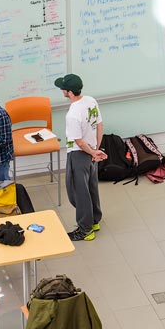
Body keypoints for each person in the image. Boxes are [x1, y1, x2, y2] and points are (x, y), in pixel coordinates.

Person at [55, 74, 106, 241]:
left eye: (63, 88)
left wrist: (91, 152)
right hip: (92, 151)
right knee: (91, 187)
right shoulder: (90, 101)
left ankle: (85, 230)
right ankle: (94, 220)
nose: (61, 90)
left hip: (78, 154)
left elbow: (78, 141)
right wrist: (96, 150)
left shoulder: (72, 115)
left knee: (78, 192)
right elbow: (99, 125)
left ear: (69, 92)